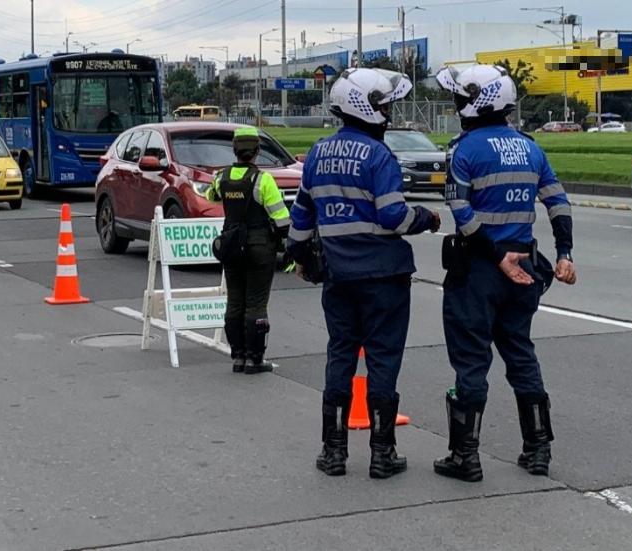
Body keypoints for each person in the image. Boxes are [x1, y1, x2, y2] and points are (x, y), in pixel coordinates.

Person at [286, 68, 441, 479]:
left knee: (340, 355)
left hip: (339, 276)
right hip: (384, 276)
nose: (388, 113)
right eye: (384, 105)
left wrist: (300, 257)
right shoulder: (379, 156)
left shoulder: (317, 154)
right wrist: (426, 217)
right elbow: (393, 215)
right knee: (383, 360)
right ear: (367, 107)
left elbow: (301, 218)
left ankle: (333, 451)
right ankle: (382, 453)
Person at [432, 64, 577, 483]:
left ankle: (466, 457)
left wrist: (496, 255)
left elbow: (460, 211)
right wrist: (564, 252)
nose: (457, 105)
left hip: (480, 270)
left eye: (460, 98)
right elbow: (558, 203)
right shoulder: (531, 149)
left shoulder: (465, 151)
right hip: (526, 268)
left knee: (472, 362)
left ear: (477, 103)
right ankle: (538, 450)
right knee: (521, 354)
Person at [206, 126, 290, 374]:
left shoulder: (222, 177)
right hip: (259, 247)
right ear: (257, 151)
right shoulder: (263, 180)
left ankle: (238, 357)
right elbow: (282, 220)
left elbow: (212, 196)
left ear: (234, 149)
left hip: (231, 247)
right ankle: (255, 359)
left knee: (234, 301)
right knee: (256, 304)